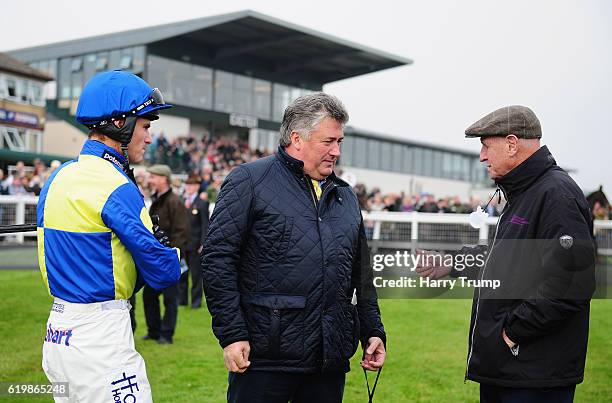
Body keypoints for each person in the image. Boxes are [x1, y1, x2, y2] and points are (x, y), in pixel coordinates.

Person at [202, 93, 386, 403]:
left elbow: (361, 273)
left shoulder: (346, 197)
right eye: (328, 141)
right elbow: (218, 260)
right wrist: (232, 334)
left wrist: (373, 330)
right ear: (296, 138)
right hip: (264, 357)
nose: (336, 151)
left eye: (340, 142)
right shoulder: (248, 181)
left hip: (329, 359)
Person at [416, 105, 596, 403]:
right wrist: (452, 263)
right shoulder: (526, 191)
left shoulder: (555, 194)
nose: (482, 156)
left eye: (486, 146)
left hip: (532, 374)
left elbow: (571, 284)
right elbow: (509, 259)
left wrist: (511, 332)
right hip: (512, 369)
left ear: (512, 144)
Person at [36, 69, 182, 402]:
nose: (149, 137)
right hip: (100, 337)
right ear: (120, 124)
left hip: (58, 334)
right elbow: (164, 272)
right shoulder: (116, 186)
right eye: (145, 126)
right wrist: (167, 250)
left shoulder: (57, 177)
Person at [142, 164, 189, 344]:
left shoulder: (175, 201)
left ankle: (166, 334)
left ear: (163, 179)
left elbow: (181, 232)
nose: (150, 180)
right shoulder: (157, 200)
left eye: (153, 177)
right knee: (149, 296)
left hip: (169, 259)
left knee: (170, 299)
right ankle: (154, 331)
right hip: (156, 259)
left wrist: (171, 256)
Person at [178, 175, 209, 308]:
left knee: (196, 275)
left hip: (195, 245)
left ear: (197, 186)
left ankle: (195, 302)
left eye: (192, 185)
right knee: (182, 273)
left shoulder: (202, 203)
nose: (189, 187)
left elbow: (205, 225)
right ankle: (182, 300)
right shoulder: (181, 201)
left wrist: (203, 243)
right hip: (182, 244)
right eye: (188, 185)